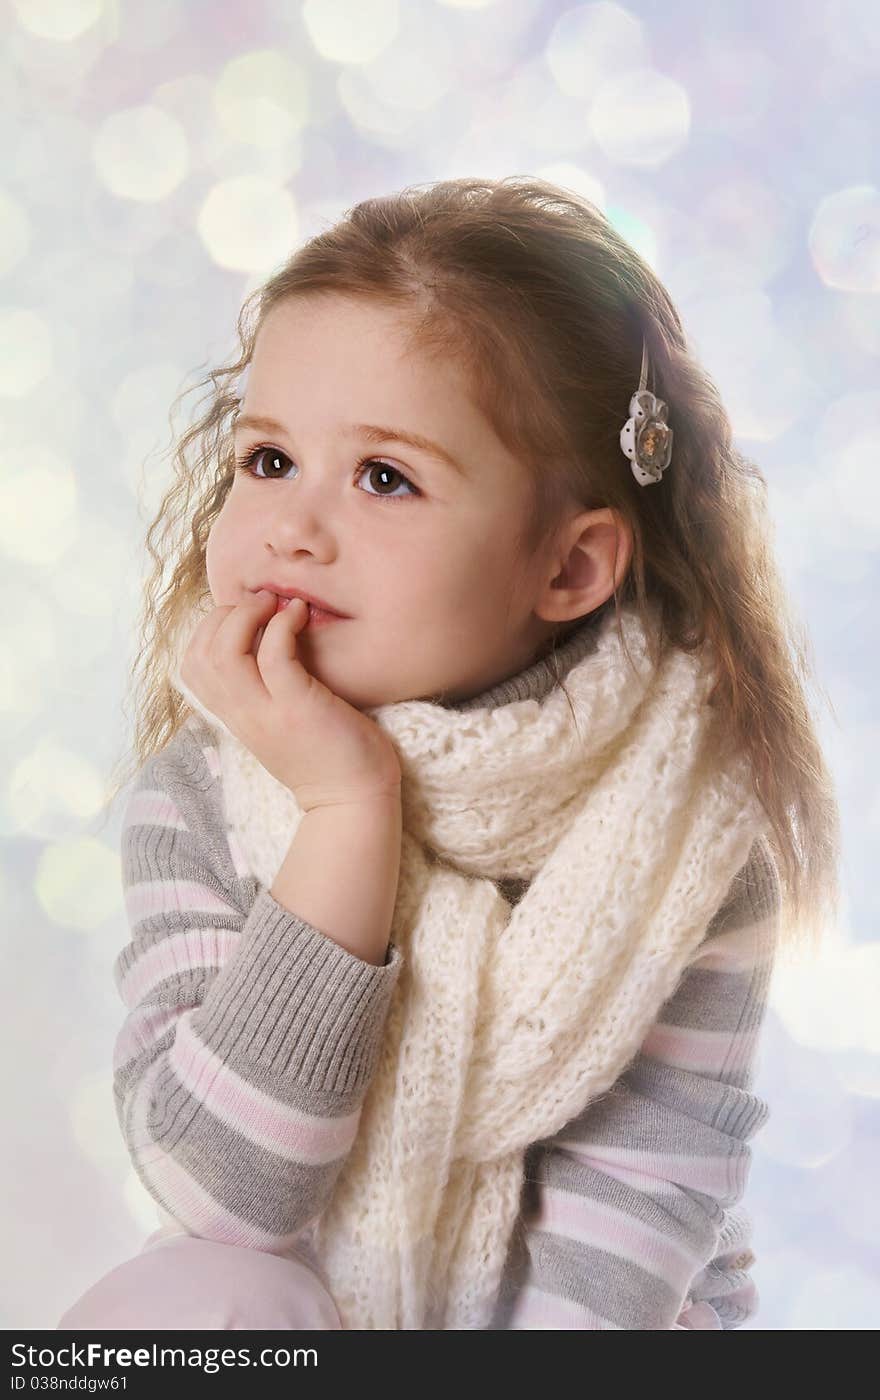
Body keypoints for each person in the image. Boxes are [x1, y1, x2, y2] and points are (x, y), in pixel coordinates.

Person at [57, 176, 840, 1332]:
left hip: (593, 1314)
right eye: (268, 459)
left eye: (384, 477)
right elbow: (226, 1190)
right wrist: (343, 810)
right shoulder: (205, 796)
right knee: (197, 1293)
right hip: (305, 1294)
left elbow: (637, 1205)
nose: (290, 524)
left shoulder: (685, 834)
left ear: (567, 568)